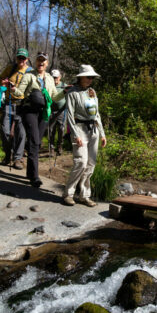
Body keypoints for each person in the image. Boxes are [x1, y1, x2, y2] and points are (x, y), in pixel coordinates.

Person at [11, 53, 62, 188]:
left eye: (43, 61)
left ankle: (29, 172)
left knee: (37, 143)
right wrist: (13, 89)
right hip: (29, 111)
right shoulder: (29, 75)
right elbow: (20, 93)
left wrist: (66, 92)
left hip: (44, 113)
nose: (41, 63)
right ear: (36, 61)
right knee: (34, 141)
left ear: (47, 63)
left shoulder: (50, 79)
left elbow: (55, 97)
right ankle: (35, 177)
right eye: (39, 60)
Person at [61, 64, 107, 207]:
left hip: (93, 130)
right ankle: (68, 193)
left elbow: (96, 113)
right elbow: (69, 115)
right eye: (88, 77)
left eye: (92, 77)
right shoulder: (72, 93)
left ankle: (84, 195)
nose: (90, 79)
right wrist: (75, 135)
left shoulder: (92, 91)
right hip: (79, 129)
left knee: (90, 164)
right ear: (81, 77)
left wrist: (102, 133)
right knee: (81, 161)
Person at [0, 48, 30, 167]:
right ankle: (8, 154)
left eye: (23, 58)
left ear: (27, 59)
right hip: (8, 102)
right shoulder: (10, 68)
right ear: (16, 58)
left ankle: (18, 159)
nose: (21, 60)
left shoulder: (30, 72)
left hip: (22, 104)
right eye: (19, 57)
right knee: (4, 131)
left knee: (21, 133)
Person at [48, 68, 68, 155]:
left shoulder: (64, 86)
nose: (55, 79)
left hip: (62, 111)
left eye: (56, 77)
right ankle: (51, 148)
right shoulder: (48, 86)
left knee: (61, 129)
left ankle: (59, 146)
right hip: (51, 111)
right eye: (53, 77)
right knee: (51, 130)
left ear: (59, 77)